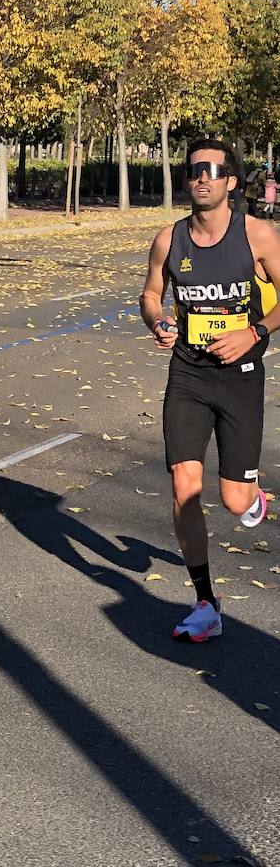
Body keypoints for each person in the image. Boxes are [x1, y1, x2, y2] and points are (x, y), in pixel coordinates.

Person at [140, 137, 280, 643]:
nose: (205, 177)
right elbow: (152, 293)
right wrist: (157, 321)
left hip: (240, 378)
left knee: (233, 499)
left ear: (232, 183)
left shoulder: (258, 236)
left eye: (216, 170)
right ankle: (206, 601)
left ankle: (252, 498)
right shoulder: (169, 239)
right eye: (197, 169)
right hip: (189, 376)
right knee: (184, 486)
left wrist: (254, 332)